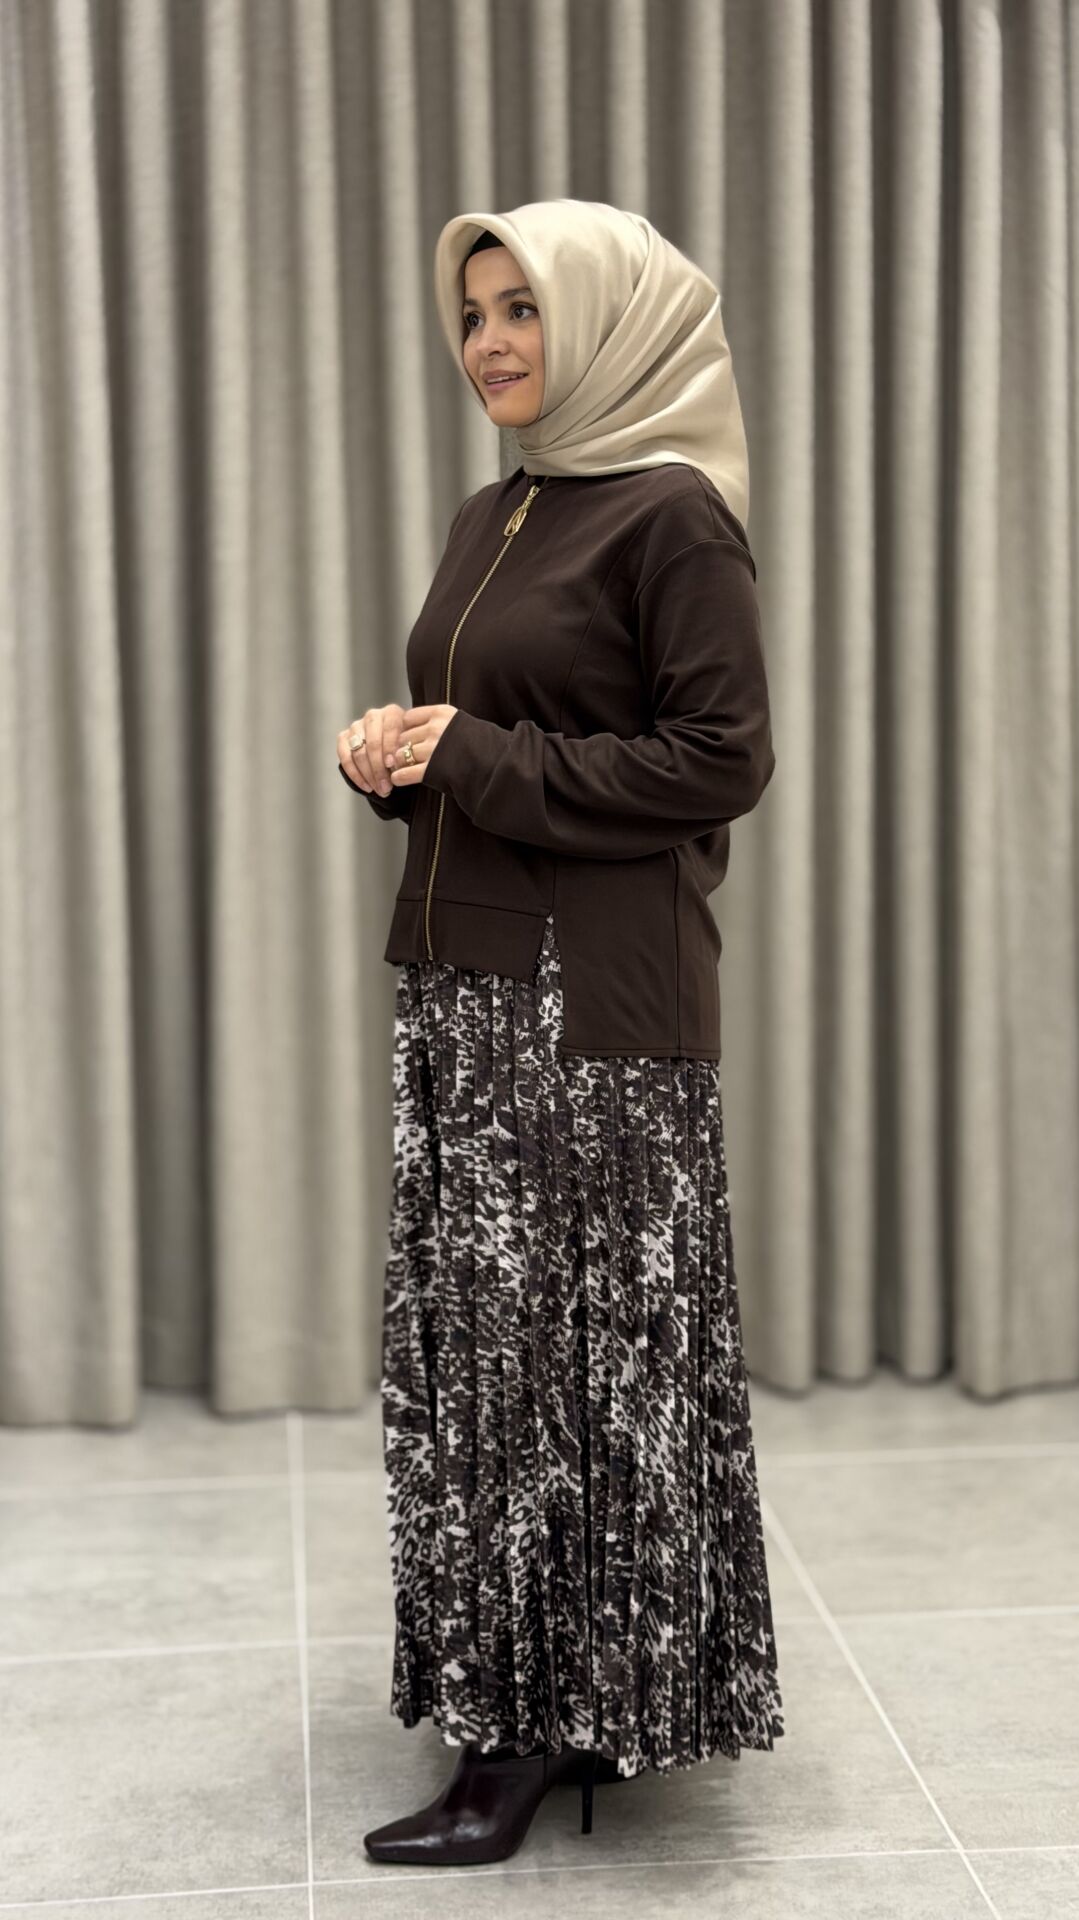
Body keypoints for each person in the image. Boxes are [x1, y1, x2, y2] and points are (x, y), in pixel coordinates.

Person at [336, 197, 784, 1870]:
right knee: (489, 1362)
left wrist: (470, 752)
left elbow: (719, 760)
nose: (491, 343)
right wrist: (396, 755)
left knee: (558, 1370)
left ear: (605, 317)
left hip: (590, 1005)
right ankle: (555, 1695)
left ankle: (522, 1737)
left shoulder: (674, 517)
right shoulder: (498, 509)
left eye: (522, 307)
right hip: (468, 981)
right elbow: (500, 734)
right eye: (473, 314)